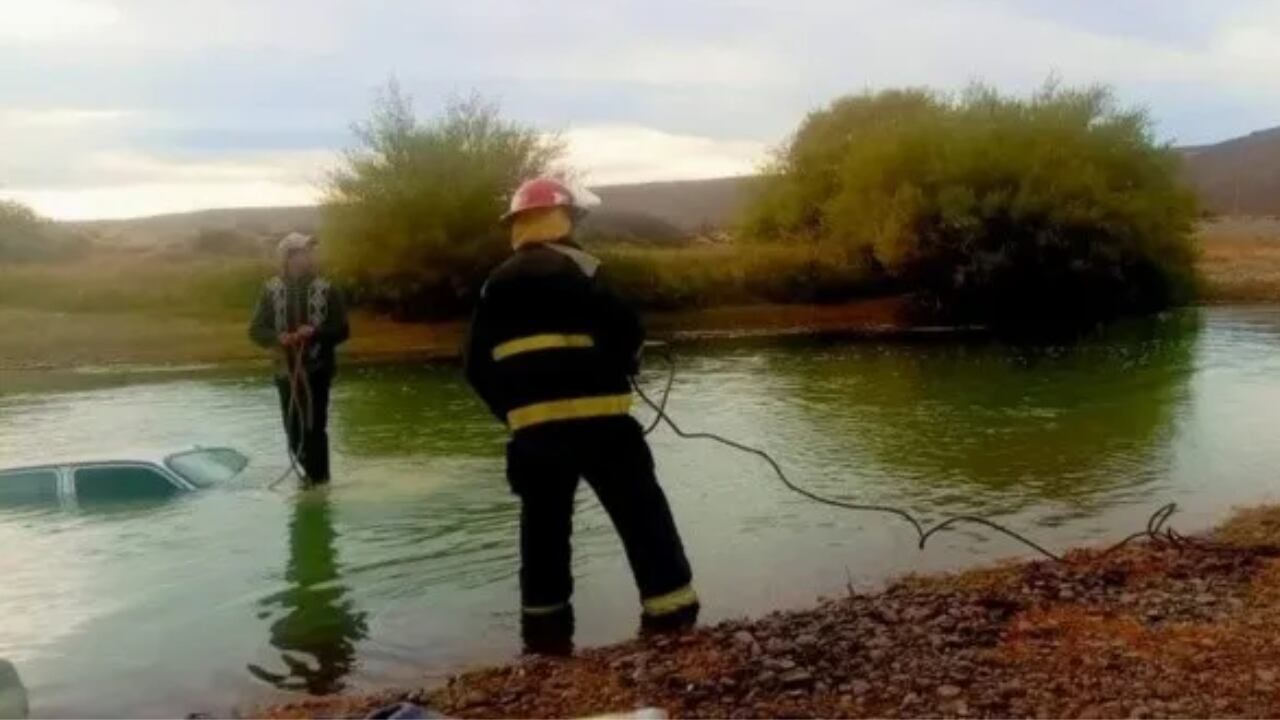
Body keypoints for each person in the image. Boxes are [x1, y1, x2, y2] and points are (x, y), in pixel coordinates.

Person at [464, 177, 699, 655]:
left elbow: (474, 366)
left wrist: (514, 414)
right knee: (642, 518)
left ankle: (545, 636)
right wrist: (620, 367)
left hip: (533, 436)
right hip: (605, 426)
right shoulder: (585, 268)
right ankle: (672, 617)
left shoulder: (495, 284)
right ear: (563, 219)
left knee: (543, 532)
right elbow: (627, 332)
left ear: (518, 225)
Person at [249, 233, 350, 484]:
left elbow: (342, 330)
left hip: (317, 370)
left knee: (315, 429)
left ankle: (319, 482)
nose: (308, 256)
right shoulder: (270, 290)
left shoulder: (327, 289)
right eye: (302, 252)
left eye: (308, 251)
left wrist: (315, 332)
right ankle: (313, 477)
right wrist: (278, 338)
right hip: (285, 371)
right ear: (288, 257)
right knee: (293, 431)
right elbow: (256, 330)